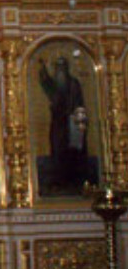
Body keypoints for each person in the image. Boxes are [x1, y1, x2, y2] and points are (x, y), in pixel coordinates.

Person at [38, 57, 88, 191]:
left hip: (72, 123)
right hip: (59, 123)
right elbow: (46, 83)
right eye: (57, 68)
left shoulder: (73, 84)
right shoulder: (56, 84)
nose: (59, 70)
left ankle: (74, 180)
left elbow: (78, 105)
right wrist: (42, 68)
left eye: (61, 67)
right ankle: (60, 180)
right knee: (58, 149)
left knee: (73, 151)